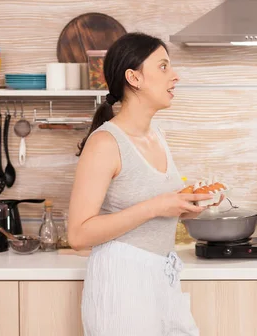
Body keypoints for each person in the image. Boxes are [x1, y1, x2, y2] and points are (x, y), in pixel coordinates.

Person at [68, 32, 212, 335]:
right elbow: (78, 235)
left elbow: (158, 210)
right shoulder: (106, 143)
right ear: (134, 77)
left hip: (162, 276)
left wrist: (190, 205)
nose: (175, 76)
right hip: (122, 282)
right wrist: (157, 206)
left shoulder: (157, 135)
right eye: (163, 67)